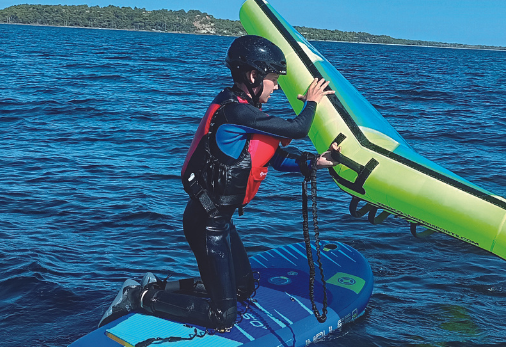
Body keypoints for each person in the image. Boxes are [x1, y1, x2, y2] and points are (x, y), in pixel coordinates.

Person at [98, 35, 339, 330]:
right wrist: (313, 102)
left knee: (244, 289)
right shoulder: (234, 112)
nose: (276, 86)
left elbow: (272, 156)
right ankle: (139, 296)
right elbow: (299, 128)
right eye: (274, 78)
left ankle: (163, 287)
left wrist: (314, 162)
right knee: (222, 317)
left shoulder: (245, 111)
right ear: (253, 76)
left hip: (220, 221)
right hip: (205, 224)